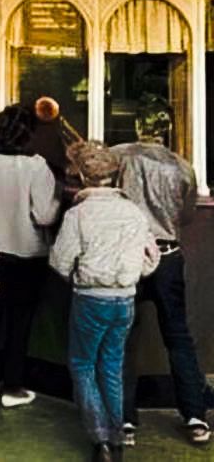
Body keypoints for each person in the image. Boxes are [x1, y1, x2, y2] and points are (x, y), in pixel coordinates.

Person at [50, 140, 159, 462]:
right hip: (124, 300)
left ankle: (101, 441)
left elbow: (59, 261)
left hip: (89, 299)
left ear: (82, 176)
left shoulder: (78, 214)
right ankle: (118, 434)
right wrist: (128, 275)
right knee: (111, 366)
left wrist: (80, 277)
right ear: (114, 176)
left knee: (83, 366)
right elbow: (151, 259)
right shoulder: (134, 212)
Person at [115, 101, 211, 447]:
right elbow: (185, 217)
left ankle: (124, 419)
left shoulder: (119, 156)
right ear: (167, 128)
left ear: (137, 125)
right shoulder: (184, 167)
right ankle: (195, 415)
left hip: (128, 255)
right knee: (178, 336)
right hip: (168, 256)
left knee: (123, 338)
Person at [0, 103, 60, 408]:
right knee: (20, 322)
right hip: (28, 255)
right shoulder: (36, 166)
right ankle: (13, 387)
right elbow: (44, 215)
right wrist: (60, 193)